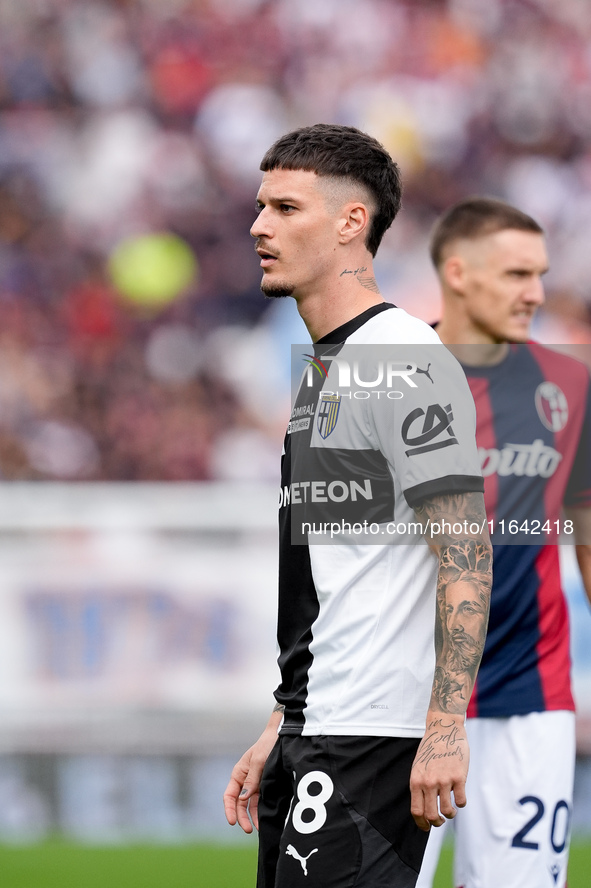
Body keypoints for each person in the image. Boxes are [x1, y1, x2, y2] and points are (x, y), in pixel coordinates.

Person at [223, 124, 492, 888]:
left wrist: (443, 726)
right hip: (319, 726)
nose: (258, 226)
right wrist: (284, 722)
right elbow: (332, 579)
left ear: (350, 224)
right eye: (260, 206)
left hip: (374, 738)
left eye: (284, 208)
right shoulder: (326, 370)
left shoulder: (399, 358)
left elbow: (466, 554)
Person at [416, 197, 591, 888]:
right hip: (400, 696)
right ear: (456, 273)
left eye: (540, 275)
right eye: (517, 274)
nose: (536, 294)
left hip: (528, 692)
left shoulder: (570, 384)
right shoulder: (376, 376)